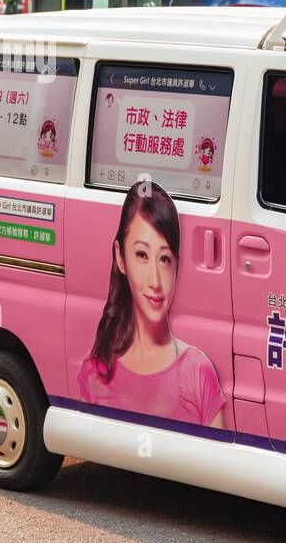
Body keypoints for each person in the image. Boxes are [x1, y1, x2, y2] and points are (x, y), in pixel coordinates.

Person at [76, 182, 226, 427]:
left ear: (177, 267)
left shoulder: (198, 371)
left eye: (164, 259)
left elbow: (219, 462)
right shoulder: (96, 371)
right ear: (120, 257)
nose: (155, 281)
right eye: (142, 255)